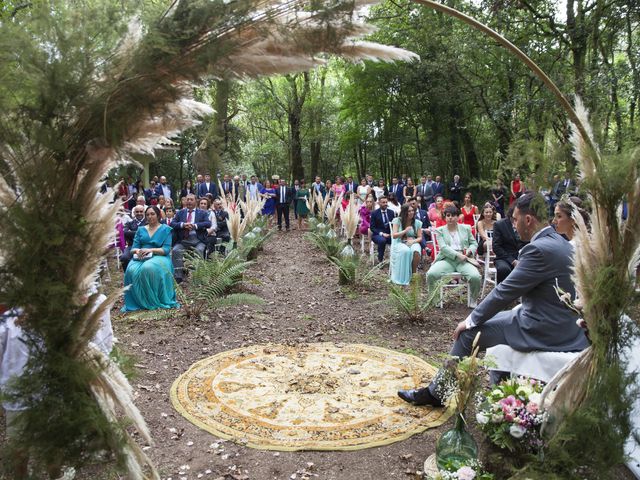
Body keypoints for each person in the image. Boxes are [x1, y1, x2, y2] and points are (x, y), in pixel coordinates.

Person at [398, 192, 589, 407]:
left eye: (515, 220)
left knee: (468, 335)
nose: (513, 225)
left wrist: (469, 320)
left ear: (528, 220)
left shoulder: (538, 249)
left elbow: (504, 292)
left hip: (544, 327)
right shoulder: (559, 241)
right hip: (564, 323)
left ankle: (437, 393)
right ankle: (500, 384)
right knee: (501, 317)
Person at [123, 206, 179, 311]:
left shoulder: (166, 229)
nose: (150, 216)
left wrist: (151, 250)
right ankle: (139, 301)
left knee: (148, 268)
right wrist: (138, 251)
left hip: (159, 256)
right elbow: (133, 248)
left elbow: (166, 249)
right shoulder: (140, 230)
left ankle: (153, 300)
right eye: (147, 214)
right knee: (130, 270)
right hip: (141, 255)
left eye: (152, 214)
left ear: (158, 215)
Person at [427, 204, 481, 306]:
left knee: (475, 277)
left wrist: (469, 251)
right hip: (447, 259)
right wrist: (457, 255)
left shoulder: (466, 228)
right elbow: (443, 248)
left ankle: (473, 298)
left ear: (458, 217)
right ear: (445, 217)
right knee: (431, 274)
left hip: (464, 260)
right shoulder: (440, 230)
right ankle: (435, 300)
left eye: (453, 215)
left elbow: (474, 243)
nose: (450, 218)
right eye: (448, 215)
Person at [170, 194, 211, 283]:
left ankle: (198, 276)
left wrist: (195, 226)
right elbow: (172, 223)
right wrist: (183, 225)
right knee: (176, 250)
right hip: (183, 240)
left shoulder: (202, 213)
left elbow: (208, 224)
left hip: (198, 240)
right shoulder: (180, 212)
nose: (189, 201)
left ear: (196, 201)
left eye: (191, 200)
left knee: (199, 250)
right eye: (187, 199)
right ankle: (178, 276)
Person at [492, 206, 528, 283]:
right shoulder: (500, 225)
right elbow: (496, 246)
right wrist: (513, 261)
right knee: (503, 269)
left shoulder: (525, 224)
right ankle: (502, 292)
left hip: (522, 256)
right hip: (504, 257)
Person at [390, 203, 423, 285]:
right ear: (404, 212)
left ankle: (413, 274)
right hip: (399, 242)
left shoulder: (417, 222)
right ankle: (403, 276)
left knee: (416, 251)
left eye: (412, 211)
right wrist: (405, 231)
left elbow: (420, 237)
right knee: (406, 251)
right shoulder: (397, 221)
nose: (411, 213)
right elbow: (394, 235)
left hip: (412, 241)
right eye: (409, 211)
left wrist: (413, 241)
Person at [120, 205, 147, 271]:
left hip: (146, 246)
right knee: (124, 258)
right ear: (134, 213)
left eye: (141, 211)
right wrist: (140, 232)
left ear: (144, 212)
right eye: (137, 212)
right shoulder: (129, 223)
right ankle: (128, 276)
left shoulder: (148, 222)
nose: (139, 213)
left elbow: (148, 234)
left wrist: (131, 232)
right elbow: (125, 233)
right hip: (131, 246)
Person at [370, 196, 395, 263]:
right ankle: (380, 259)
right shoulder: (374, 213)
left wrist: (392, 234)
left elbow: (394, 225)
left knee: (398, 240)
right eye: (383, 202)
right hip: (378, 235)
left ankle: (395, 260)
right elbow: (372, 227)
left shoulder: (391, 212)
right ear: (379, 203)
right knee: (382, 240)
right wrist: (382, 234)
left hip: (389, 234)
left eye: (386, 202)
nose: (385, 204)